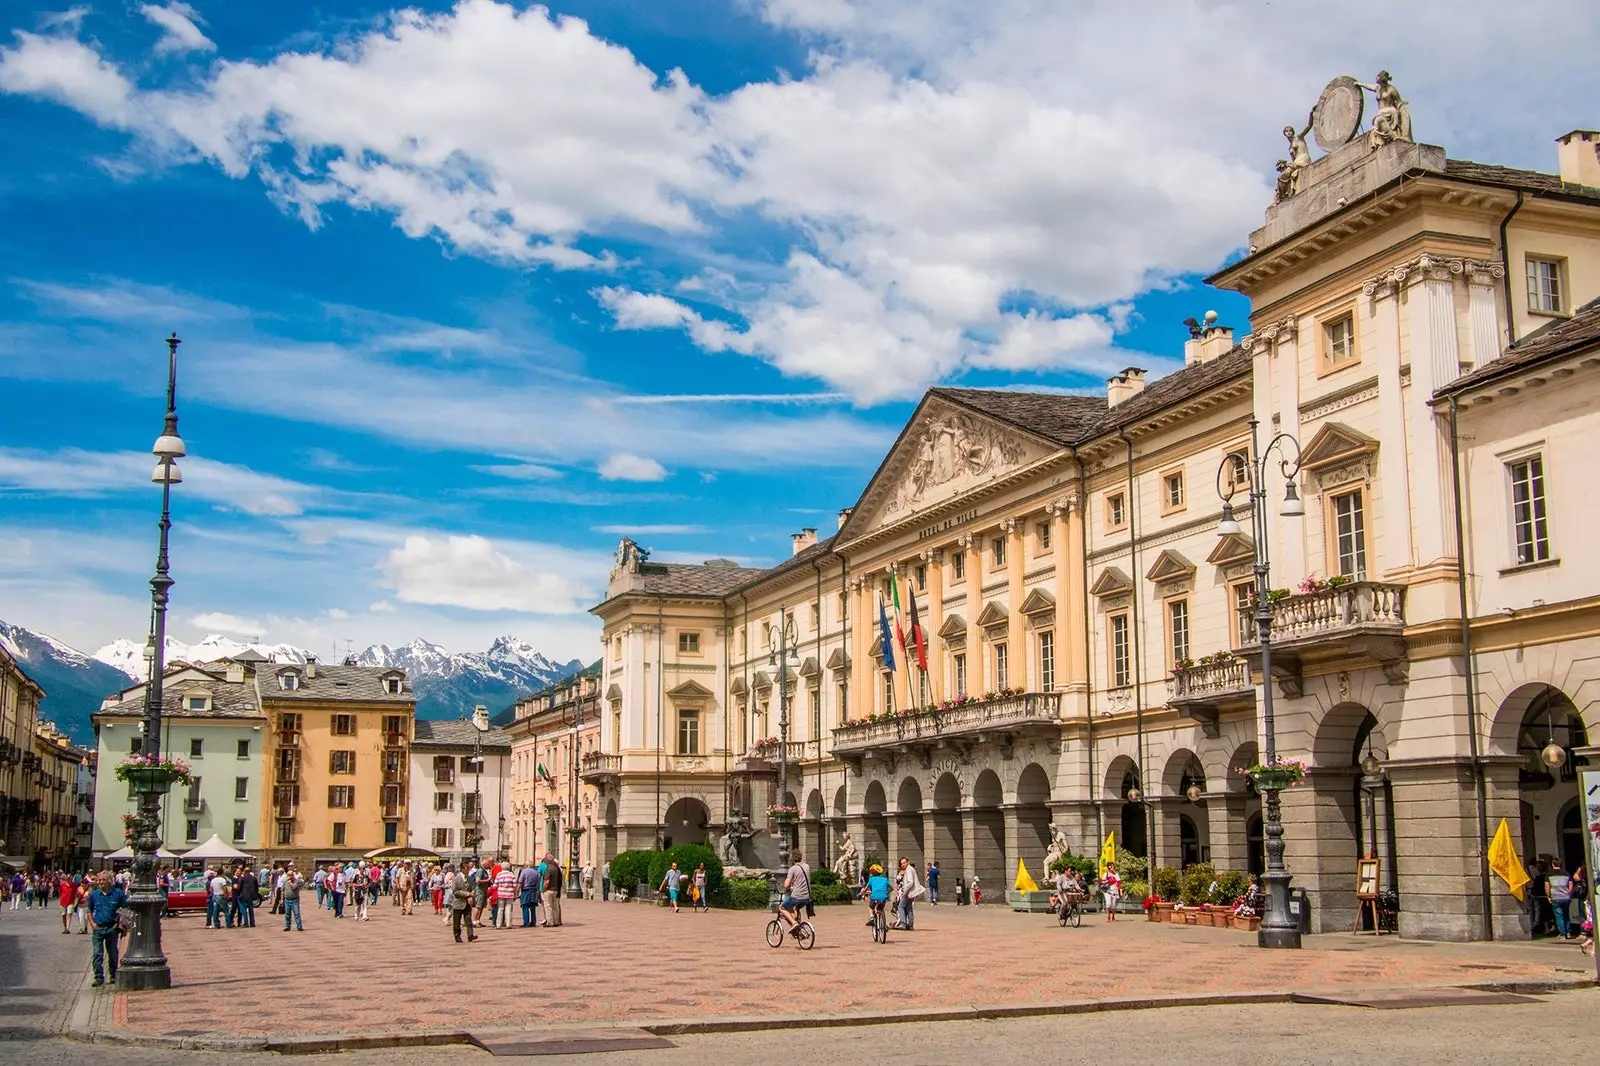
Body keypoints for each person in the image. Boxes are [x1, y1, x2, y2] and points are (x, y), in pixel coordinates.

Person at [87, 872, 127, 987]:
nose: (100, 882)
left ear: (109, 881)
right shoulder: (94, 894)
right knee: (97, 953)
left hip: (111, 928)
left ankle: (113, 975)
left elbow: (125, 908)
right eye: (99, 880)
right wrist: (92, 923)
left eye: (103, 880)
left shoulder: (117, 893)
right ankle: (99, 977)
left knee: (113, 953)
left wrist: (118, 924)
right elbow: (89, 910)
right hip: (98, 928)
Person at [778, 849, 812, 938]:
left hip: (796, 896)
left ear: (792, 859)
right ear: (801, 857)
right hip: (807, 897)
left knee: (782, 907)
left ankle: (794, 923)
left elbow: (786, 885)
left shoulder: (792, 869)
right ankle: (799, 930)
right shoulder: (807, 866)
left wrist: (789, 886)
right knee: (796, 908)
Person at [449, 864, 477, 943]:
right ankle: (457, 936)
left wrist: (471, 895)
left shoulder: (469, 878)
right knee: (457, 922)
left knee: (468, 920)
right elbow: (455, 891)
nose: (468, 870)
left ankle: (470, 935)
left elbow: (473, 888)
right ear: (462, 869)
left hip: (467, 903)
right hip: (458, 903)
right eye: (467, 868)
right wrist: (467, 894)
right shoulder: (456, 879)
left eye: (469, 868)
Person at [894, 856, 922, 930]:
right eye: (901, 863)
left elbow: (910, 882)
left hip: (908, 892)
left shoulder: (909, 870)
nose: (903, 864)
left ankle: (903, 923)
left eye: (904, 863)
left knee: (900, 906)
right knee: (909, 908)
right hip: (911, 892)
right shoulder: (910, 869)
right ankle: (910, 925)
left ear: (908, 862)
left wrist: (905, 892)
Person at [861, 862, 891, 929]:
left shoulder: (871, 879)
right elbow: (891, 887)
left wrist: (862, 893)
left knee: (870, 907)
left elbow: (865, 889)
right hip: (883, 897)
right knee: (881, 908)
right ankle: (884, 925)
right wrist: (887, 892)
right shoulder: (885, 879)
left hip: (874, 897)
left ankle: (871, 917)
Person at [1548, 859, 1573, 940]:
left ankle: (1562, 934)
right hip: (1566, 897)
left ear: (1553, 864)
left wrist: (1548, 896)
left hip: (1555, 897)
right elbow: (1571, 884)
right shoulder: (1566, 874)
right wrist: (1569, 893)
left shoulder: (1549, 875)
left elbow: (1547, 886)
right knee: (1566, 914)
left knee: (1559, 915)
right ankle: (1568, 932)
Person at [280, 867, 305, 932]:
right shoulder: (285, 881)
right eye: (289, 875)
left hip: (295, 900)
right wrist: (281, 899)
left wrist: (290, 881)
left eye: (291, 875)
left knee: (296, 913)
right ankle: (287, 926)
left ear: (293, 875)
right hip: (287, 900)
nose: (290, 876)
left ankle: (299, 926)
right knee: (287, 914)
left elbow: (293, 887)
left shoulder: (297, 881)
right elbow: (282, 891)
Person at [542, 853, 564, 927]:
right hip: (556, 890)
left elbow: (547, 881)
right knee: (555, 906)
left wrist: (543, 889)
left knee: (548, 906)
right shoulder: (556, 868)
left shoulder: (548, 869)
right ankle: (556, 921)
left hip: (548, 890)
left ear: (547, 861)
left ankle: (550, 922)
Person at [517, 861, 541, 927]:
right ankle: (533, 922)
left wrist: (517, 891)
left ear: (526, 865)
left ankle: (526, 922)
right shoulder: (536, 872)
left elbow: (520, 882)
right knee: (533, 907)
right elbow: (538, 883)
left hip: (526, 890)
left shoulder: (524, 871)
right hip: (533, 890)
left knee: (525, 906)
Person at [494, 863, 516, 928]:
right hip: (509, 893)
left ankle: (498, 924)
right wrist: (515, 894)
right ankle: (508, 923)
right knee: (508, 908)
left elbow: (495, 885)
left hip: (501, 893)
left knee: (500, 909)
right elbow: (515, 885)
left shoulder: (499, 874)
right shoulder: (511, 874)